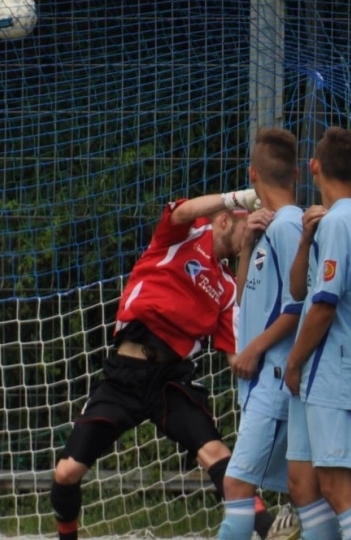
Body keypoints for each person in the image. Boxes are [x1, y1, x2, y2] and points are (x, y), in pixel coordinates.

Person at [50, 182, 262, 540]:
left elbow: (236, 357)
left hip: (169, 380)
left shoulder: (227, 290)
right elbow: (181, 211)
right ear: (226, 220)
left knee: (215, 454)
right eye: (249, 225)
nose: (252, 233)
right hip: (125, 375)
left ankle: (269, 529)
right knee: (66, 473)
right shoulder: (182, 236)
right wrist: (238, 197)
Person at [283, 127, 351, 540]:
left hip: (332, 366)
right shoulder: (331, 223)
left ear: (314, 166)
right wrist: (306, 238)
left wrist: (293, 361)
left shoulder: (342, 223)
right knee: (306, 485)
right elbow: (299, 291)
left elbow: (323, 307)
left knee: (338, 488)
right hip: (319, 371)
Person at [219, 128, 306, 540]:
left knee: (237, 487)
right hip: (259, 383)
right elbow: (242, 301)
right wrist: (245, 250)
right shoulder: (266, 229)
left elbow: (299, 305)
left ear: (252, 174)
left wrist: (253, 349)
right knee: (308, 492)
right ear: (297, 173)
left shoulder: (290, 227)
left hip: (273, 380)